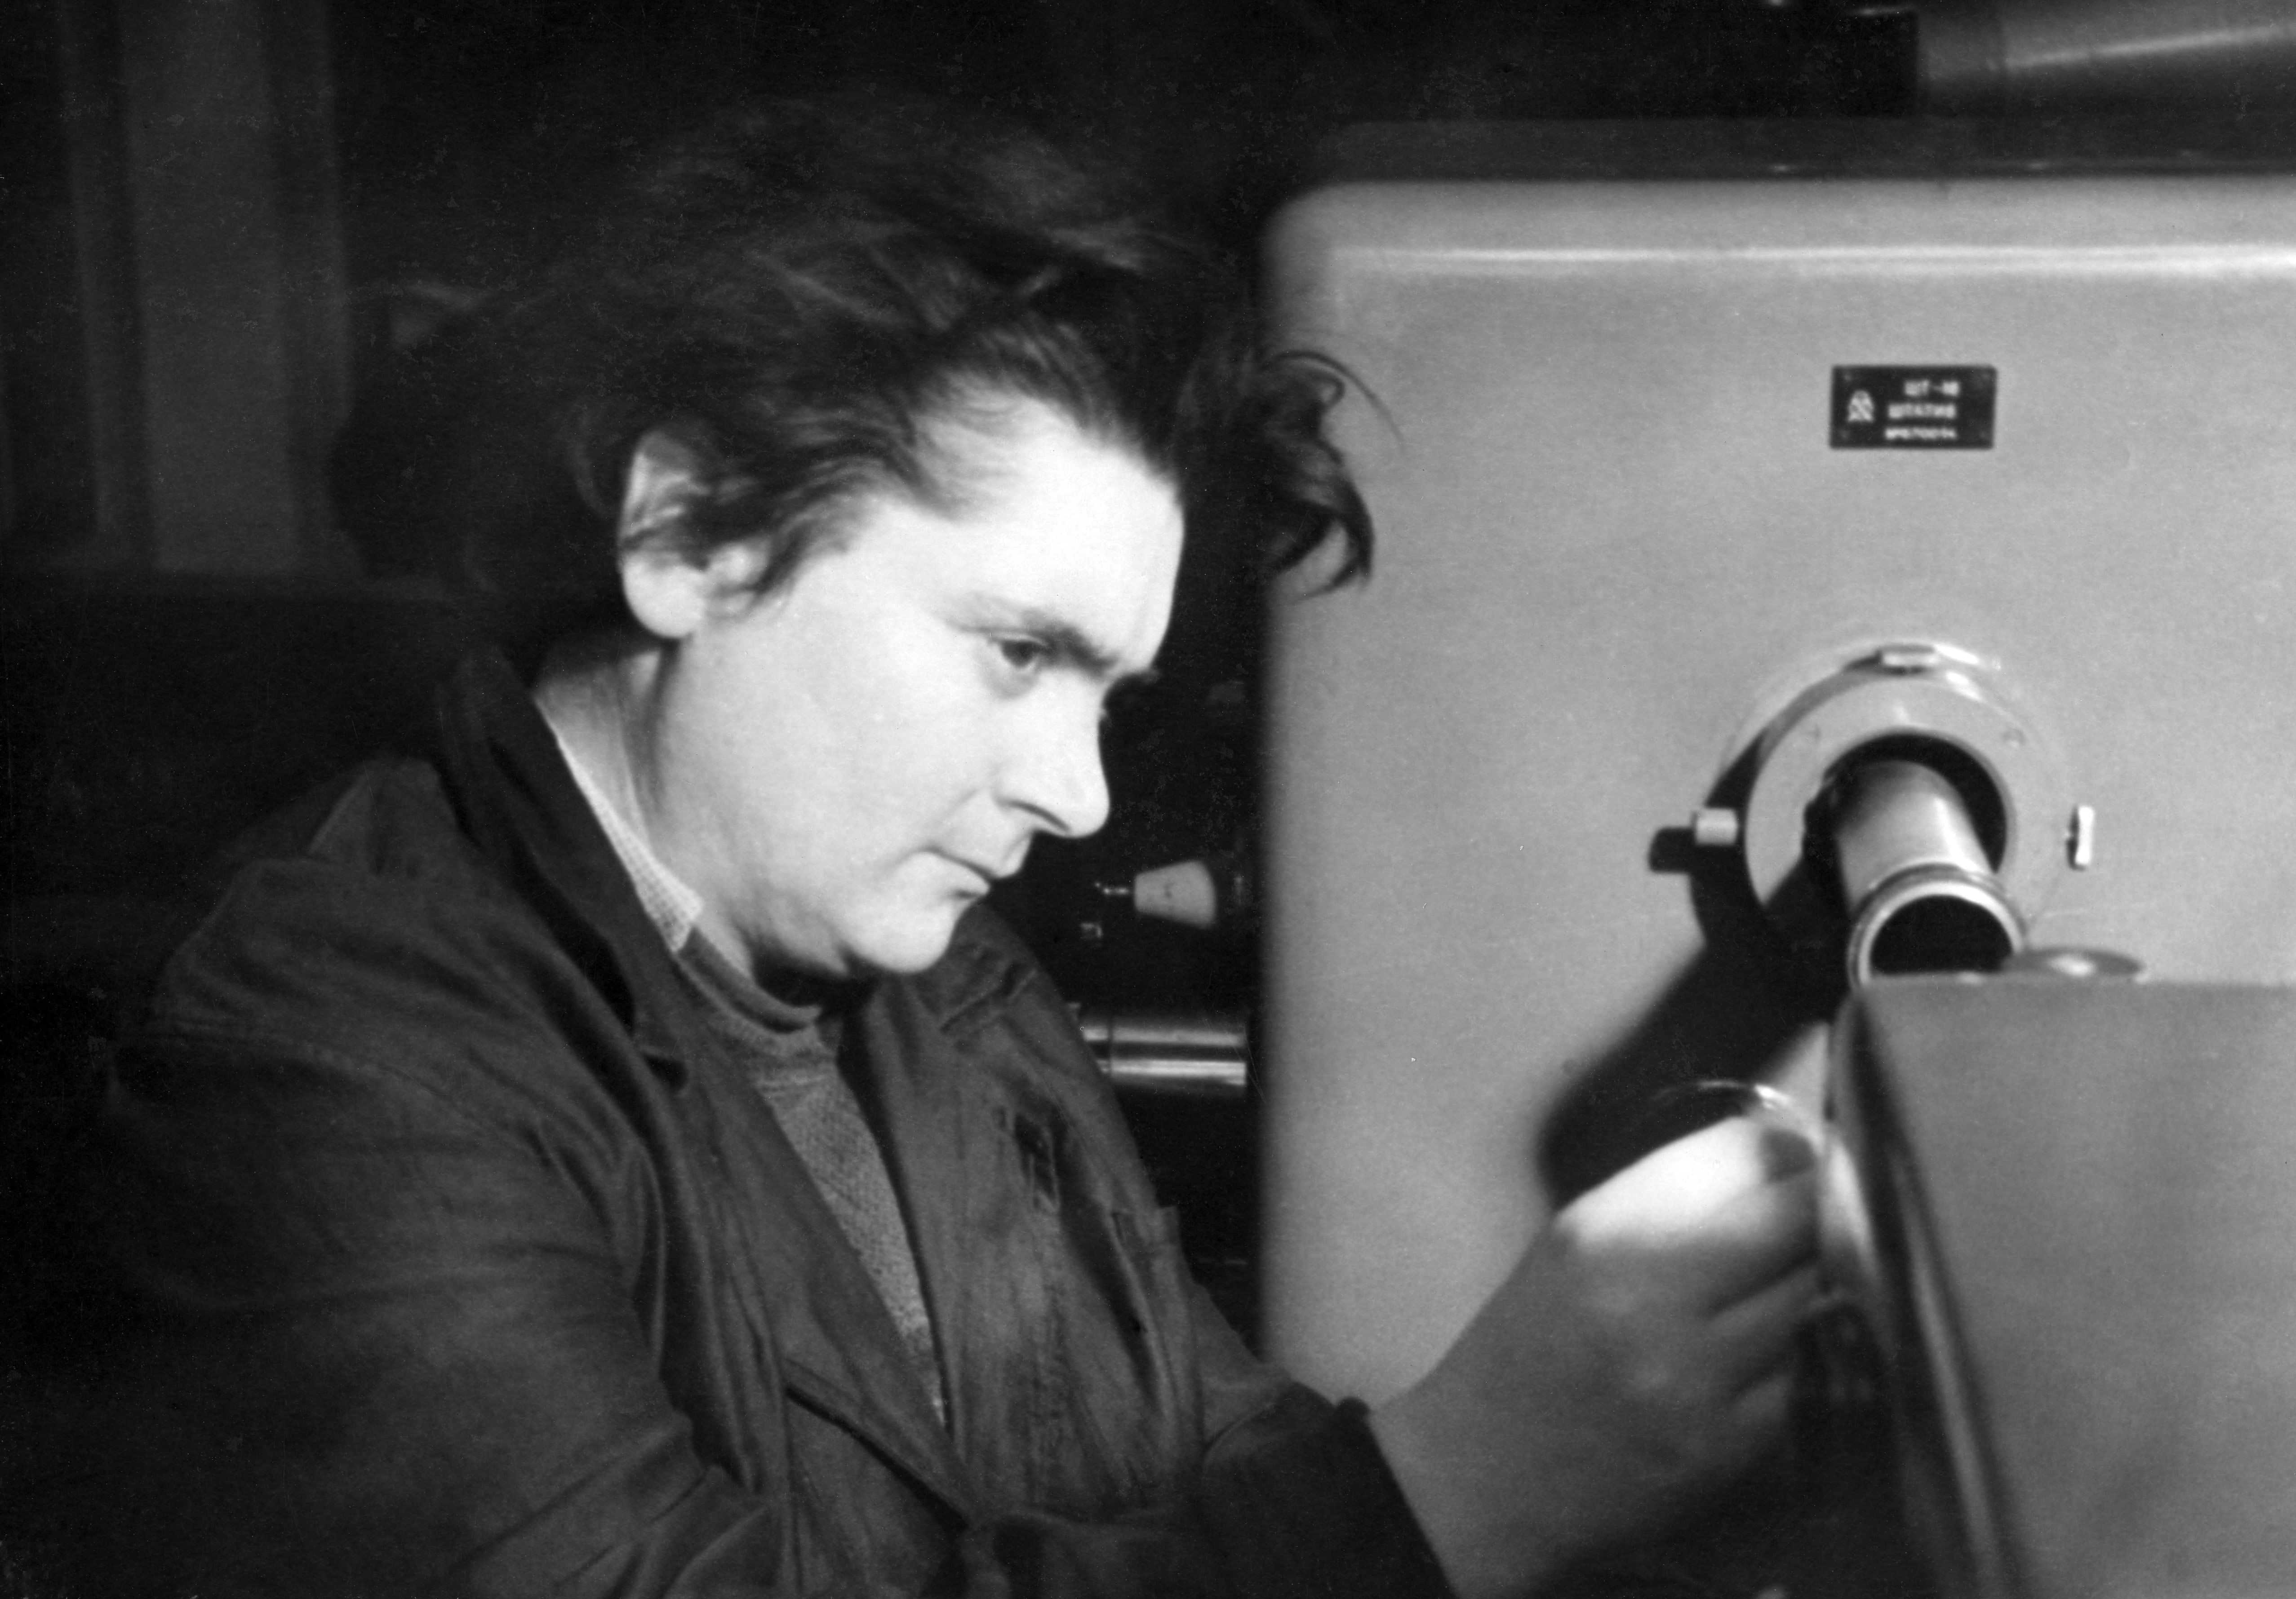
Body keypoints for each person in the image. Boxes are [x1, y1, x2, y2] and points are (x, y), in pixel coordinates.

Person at [11, 93, 1817, 1598]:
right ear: (692, 532)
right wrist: (1451, 1489)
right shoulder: (316, 1066)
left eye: (1107, 694)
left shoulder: (931, 975)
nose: (1080, 796)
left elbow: (1212, 1460)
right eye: (1017, 652)